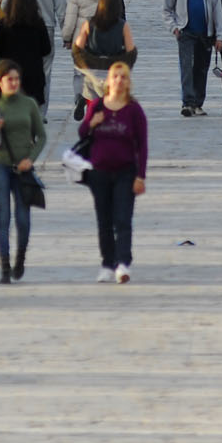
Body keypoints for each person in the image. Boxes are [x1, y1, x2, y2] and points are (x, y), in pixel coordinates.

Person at [79, 61, 147, 283]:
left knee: (123, 219)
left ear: (128, 82)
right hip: (99, 173)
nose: (119, 80)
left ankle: (123, 263)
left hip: (126, 172)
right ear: (108, 81)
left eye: (123, 77)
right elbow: (82, 133)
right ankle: (107, 263)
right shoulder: (97, 106)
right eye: (115, 76)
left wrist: (140, 176)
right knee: (104, 220)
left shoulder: (134, 110)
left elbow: (142, 145)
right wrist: (92, 122)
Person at [0, 59, 47, 284]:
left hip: (23, 167)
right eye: (9, 79)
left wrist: (30, 160)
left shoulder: (29, 104)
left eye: (16, 79)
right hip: (0, 165)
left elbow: (41, 136)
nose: (13, 83)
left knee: (23, 217)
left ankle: (20, 257)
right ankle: (4, 266)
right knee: (3, 216)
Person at [164, 0, 222, 118]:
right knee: (186, 68)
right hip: (185, 31)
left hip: (206, 32)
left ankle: (198, 103)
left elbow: (217, 9)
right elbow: (167, 9)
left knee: (201, 68)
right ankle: (187, 103)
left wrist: (220, 36)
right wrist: (174, 27)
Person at [4, 0, 66, 106]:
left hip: (17, 29)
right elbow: (62, 12)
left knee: (17, 67)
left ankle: (18, 103)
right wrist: (67, 36)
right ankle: (40, 109)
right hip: (45, 28)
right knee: (45, 71)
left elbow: (5, 5)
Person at [72, 0, 136, 116]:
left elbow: (77, 48)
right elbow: (131, 51)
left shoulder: (89, 23)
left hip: (92, 70)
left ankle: (84, 101)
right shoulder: (122, 25)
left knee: (92, 100)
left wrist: (84, 62)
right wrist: (124, 66)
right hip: (113, 71)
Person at [0, 0, 53, 105]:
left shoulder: (4, 24)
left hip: (10, 71)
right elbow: (46, 49)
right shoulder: (38, 23)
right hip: (33, 73)